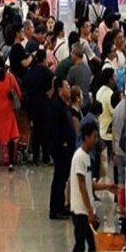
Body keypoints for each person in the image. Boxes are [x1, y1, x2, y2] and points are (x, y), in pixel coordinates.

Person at [66, 121, 118, 252]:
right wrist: (89, 211)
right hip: (80, 211)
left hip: (85, 210)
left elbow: (89, 184)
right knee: (80, 245)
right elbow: (81, 185)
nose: (96, 140)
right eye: (94, 137)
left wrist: (107, 186)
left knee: (91, 245)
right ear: (86, 137)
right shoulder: (79, 157)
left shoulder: (87, 157)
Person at [49, 78, 76, 220]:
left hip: (67, 148)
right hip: (60, 149)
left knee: (63, 178)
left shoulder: (64, 105)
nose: (69, 88)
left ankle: (61, 206)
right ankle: (55, 209)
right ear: (60, 89)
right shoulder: (56, 106)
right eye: (67, 86)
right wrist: (63, 143)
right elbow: (54, 129)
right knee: (59, 178)